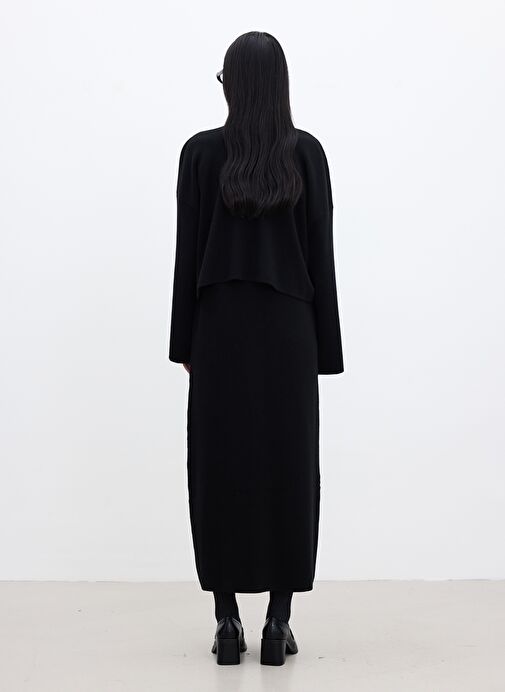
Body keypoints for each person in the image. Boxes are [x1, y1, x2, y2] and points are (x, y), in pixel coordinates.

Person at [168, 30, 344, 666]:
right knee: (288, 470)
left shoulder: (199, 154)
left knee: (218, 469)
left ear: (232, 85)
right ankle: (277, 623)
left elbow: (187, 254)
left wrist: (184, 342)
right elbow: (321, 255)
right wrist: (325, 349)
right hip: (289, 335)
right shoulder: (307, 154)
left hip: (219, 332)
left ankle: (225, 623)